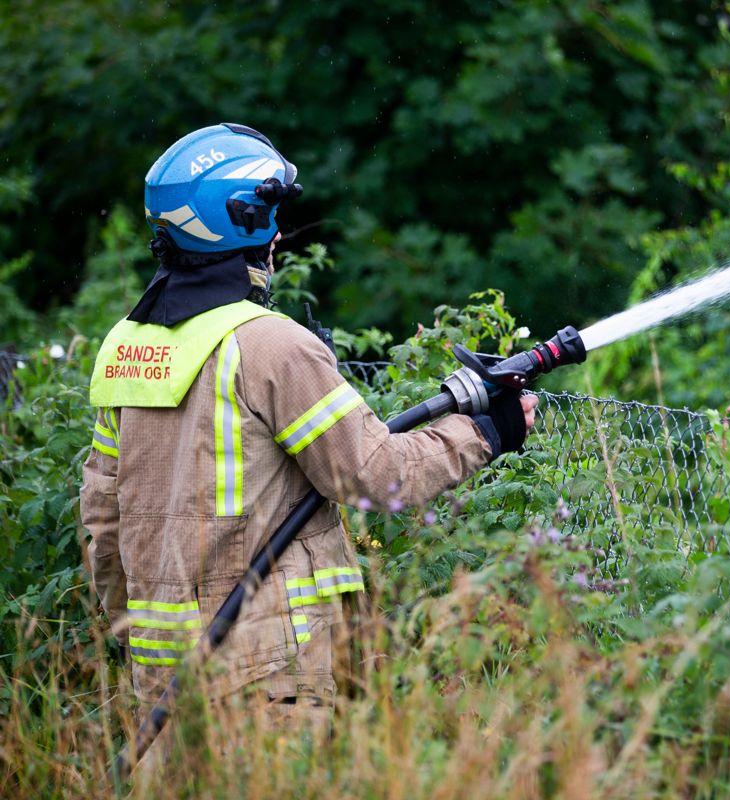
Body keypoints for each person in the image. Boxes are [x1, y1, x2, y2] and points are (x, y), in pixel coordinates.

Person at [79, 123, 536, 749]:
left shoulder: (127, 348)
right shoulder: (268, 344)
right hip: (267, 671)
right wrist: (488, 431)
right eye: (269, 211)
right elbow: (378, 476)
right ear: (245, 221)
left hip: (161, 674)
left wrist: (130, 633)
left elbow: (101, 524)